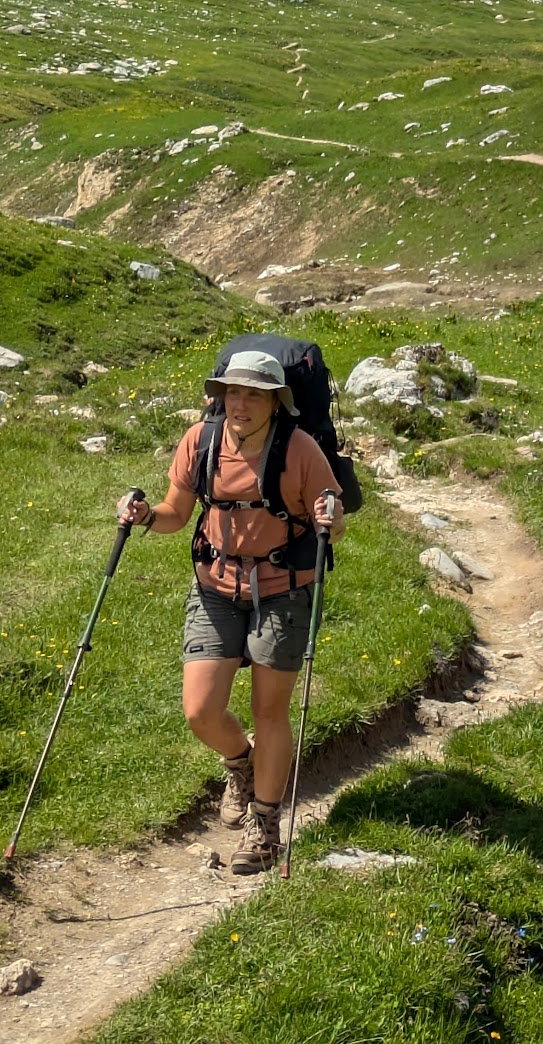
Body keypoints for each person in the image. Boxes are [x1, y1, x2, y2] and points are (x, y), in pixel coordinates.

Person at [117, 348, 342, 874]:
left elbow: (331, 516)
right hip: (215, 586)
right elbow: (176, 513)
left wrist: (330, 515)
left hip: (285, 589)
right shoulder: (202, 440)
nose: (239, 403)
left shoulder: (301, 449)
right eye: (231, 392)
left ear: (274, 401)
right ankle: (240, 765)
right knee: (200, 711)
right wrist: (146, 515)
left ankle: (264, 824)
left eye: (252, 394)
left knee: (270, 711)